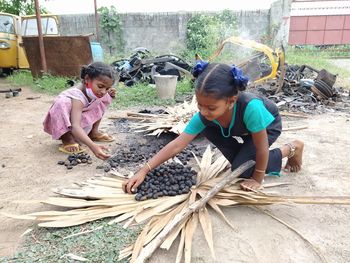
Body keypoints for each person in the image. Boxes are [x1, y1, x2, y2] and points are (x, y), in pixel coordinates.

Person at [123, 62, 304, 193]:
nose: (204, 111)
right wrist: (144, 170)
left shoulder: (251, 108)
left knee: (246, 168)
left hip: (267, 125)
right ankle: (243, 159)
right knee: (211, 131)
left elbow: (261, 148)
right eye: (200, 105)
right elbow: (178, 144)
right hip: (241, 128)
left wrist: (257, 178)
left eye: (210, 107)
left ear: (231, 101)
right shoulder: (205, 114)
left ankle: (292, 148)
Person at [43, 62, 118, 160]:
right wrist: (93, 146)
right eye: (100, 86)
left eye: (107, 88)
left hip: (79, 114)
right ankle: (67, 138)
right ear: (87, 79)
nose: (103, 91)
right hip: (68, 121)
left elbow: (103, 94)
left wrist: (109, 94)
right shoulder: (77, 96)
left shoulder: (95, 92)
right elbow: (75, 126)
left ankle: (93, 132)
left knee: (105, 97)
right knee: (62, 103)